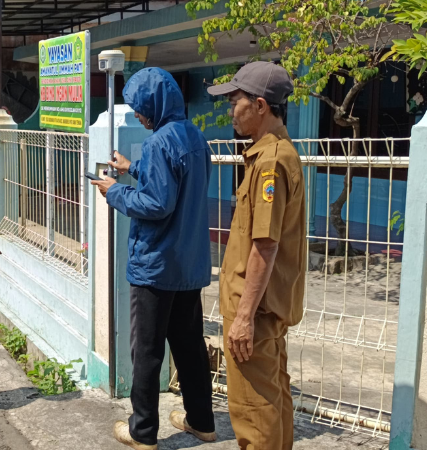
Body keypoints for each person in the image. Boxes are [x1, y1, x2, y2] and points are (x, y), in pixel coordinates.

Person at [91, 67, 216, 450]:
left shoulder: (160, 142)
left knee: (146, 351)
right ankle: (202, 421)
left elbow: (156, 202)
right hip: (188, 265)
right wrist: (133, 168)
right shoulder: (195, 137)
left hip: (156, 265)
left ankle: (143, 432)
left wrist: (115, 191)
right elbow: (174, 179)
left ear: (156, 105)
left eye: (141, 108)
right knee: (189, 346)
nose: (140, 115)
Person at [206, 61, 306, 450]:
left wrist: (244, 317)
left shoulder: (270, 163)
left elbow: (265, 244)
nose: (232, 110)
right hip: (265, 308)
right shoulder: (274, 155)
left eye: (236, 101)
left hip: (256, 311)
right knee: (273, 401)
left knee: (254, 413)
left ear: (261, 105)